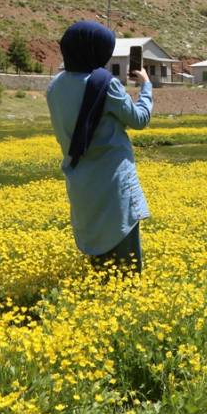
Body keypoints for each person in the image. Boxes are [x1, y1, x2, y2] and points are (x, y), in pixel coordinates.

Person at [46, 21, 152, 274]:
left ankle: (100, 300)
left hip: (81, 181)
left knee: (99, 259)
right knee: (126, 264)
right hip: (113, 183)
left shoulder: (55, 86)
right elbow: (139, 119)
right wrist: (146, 86)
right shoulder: (106, 84)